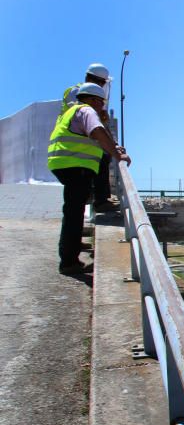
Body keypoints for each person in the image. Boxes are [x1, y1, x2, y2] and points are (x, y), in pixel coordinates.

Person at [48, 82, 131, 275]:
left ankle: (68, 258)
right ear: (94, 100)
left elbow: (95, 138)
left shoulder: (71, 111)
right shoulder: (87, 111)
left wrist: (113, 147)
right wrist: (119, 156)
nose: (102, 107)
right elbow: (97, 132)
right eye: (101, 103)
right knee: (74, 213)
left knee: (72, 211)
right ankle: (69, 262)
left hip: (63, 164)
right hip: (75, 166)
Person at [62, 64, 118, 212]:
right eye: (100, 82)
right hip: (75, 140)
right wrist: (116, 152)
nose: (102, 85)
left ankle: (99, 197)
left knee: (102, 158)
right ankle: (99, 200)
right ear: (89, 78)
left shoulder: (94, 95)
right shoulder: (76, 92)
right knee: (101, 159)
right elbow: (84, 116)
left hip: (84, 139)